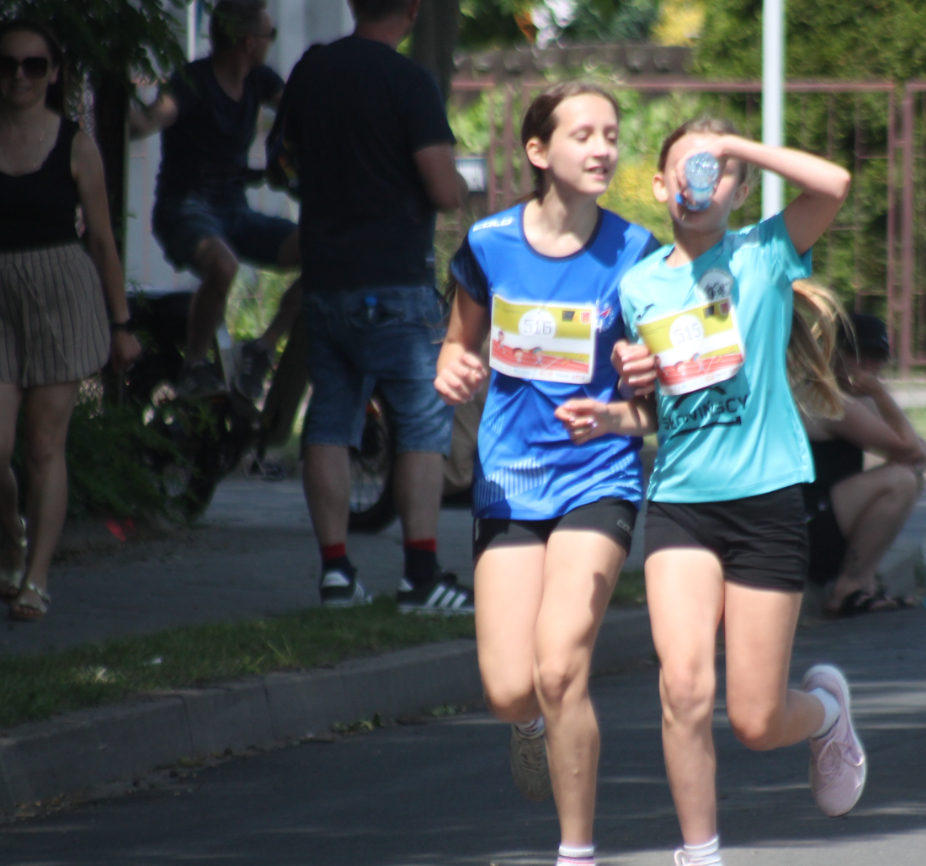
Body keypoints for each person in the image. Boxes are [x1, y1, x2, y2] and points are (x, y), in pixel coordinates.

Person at [564, 118, 866, 866]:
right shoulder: (640, 287)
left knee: (757, 723)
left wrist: (737, 148)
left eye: (718, 171)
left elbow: (834, 184)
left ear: (738, 188)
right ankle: (701, 855)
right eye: (687, 168)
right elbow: (655, 409)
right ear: (661, 185)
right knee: (684, 689)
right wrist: (612, 415)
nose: (700, 180)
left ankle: (826, 712)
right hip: (682, 505)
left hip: (767, 500)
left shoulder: (764, 253)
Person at [434, 82, 659, 866]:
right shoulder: (490, 244)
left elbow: (662, 402)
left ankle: (576, 851)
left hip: (598, 477)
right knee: (509, 688)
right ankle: (529, 726)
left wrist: (635, 389)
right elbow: (458, 342)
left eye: (612, 135)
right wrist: (453, 368)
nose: (603, 148)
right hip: (511, 478)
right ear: (538, 151)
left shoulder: (637, 255)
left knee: (561, 667)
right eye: (584, 134)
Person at [276, 0, 464, 612]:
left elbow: (282, 161)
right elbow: (442, 187)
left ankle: (336, 573)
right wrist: (458, 185)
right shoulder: (411, 82)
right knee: (422, 425)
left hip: (325, 279)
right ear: (412, 10)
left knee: (329, 423)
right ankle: (421, 577)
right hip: (394, 280)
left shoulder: (312, 70)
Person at [0, 19, 141, 621]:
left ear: (54, 73)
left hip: (59, 294)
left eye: (34, 65)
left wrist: (121, 324)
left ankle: (35, 579)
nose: (20, 76)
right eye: (8, 64)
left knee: (43, 445)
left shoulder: (76, 144)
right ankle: (11, 533)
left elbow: (103, 240)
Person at [129, 0, 299, 399]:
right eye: (270, 35)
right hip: (183, 208)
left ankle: (261, 349)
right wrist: (123, 100)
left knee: (325, 251)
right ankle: (195, 365)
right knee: (223, 265)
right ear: (249, 41)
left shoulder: (259, 80)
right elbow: (149, 120)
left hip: (234, 210)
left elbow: (305, 110)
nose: (272, 42)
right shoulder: (192, 82)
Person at [801, 305, 926, 618]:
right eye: (858, 355)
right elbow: (912, 452)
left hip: (820, 520)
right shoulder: (826, 398)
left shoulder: (852, 399)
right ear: (832, 353)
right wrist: (881, 395)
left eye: (876, 358)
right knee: (900, 481)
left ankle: (862, 582)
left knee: (910, 478)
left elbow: (924, 455)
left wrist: (876, 396)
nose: (867, 366)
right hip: (802, 529)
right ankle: (848, 588)